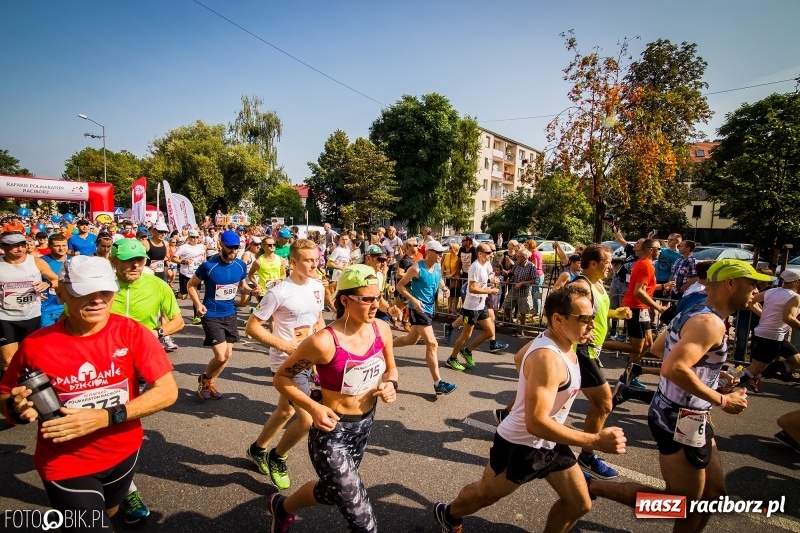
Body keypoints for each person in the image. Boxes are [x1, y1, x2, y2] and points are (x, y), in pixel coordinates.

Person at [0, 255, 178, 530]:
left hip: (124, 452)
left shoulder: (132, 332)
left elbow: (167, 391)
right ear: (62, 293)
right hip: (65, 462)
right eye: (85, 291)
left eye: (105, 291)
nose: (98, 300)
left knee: (110, 510)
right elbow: (6, 396)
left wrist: (106, 417)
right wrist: (16, 408)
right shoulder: (36, 345)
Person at [433, 286, 626, 533]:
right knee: (485, 495)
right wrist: (595, 440)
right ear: (559, 319)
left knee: (579, 504)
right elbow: (535, 423)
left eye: (593, 317)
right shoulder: (547, 358)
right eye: (585, 318)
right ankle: (449, 515)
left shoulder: (561, 340)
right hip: (520, 444)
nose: (592, 324)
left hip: (552, 440)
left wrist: (530, 382)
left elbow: (519, 358)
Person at [587, 259, 759, 533]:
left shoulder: (696, 311)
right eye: (752, 284)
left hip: (690, 414)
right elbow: (673, 367)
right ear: (730, 283)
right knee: (683, 503)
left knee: (714, 494)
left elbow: (659, 348)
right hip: (680, 417)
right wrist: (723, 400)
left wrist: (712, 375)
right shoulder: (709, 322)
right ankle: (593, 487)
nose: (756, 291)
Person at [267, 265, 397, 532]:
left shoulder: (381, 329)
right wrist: (313, 408)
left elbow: (392, 370)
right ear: (345, 301)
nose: (376, 305)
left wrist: (391, 384)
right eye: (367, 299)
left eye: (378, 296)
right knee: (364, 524)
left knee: (331, 491)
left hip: (364, 425)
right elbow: (281, 378)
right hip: (332, 432)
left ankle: (281, 507)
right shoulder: (323, 342)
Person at [244, 239, 325, 490]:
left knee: (285, 411)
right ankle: (277, 457)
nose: (315, 264)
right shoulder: (278, 292)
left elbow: (318, 320)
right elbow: (252, 327)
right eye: (308, 260)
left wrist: (322, 353)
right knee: (307, 420)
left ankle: (257, 449)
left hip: (309, 360)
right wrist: (284, 345)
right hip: (286, 364)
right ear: (293, 262)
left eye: (316, 259)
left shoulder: (318, 286)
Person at [189, 230, 261, 400]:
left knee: (227, 356)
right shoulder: (208, 266)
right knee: (221, 356)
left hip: (230, 314)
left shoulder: (240, 265)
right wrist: (198, 305)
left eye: (236, 247)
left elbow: (241, 286)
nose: (233, 251)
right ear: (221, 244)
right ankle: (205, 378)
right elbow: (191, 285)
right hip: (211, 314)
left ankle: (208, 383)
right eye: (230, 247)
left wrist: (252, 291)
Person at [394, 240, 457, 395]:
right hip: (418, 309)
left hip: (429, 308)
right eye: (438, 252)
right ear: (428, 252)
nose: (441, 255)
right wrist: (413, 300)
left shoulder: (437, 266)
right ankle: (438, 384)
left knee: (410, 340)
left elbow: (439, 278)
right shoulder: (416, 268)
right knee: (432, 344)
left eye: (442, 252)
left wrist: (444, 288)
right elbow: (400, 286)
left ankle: (384, 346)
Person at [0, 232, 59, 375]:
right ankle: (9, 387)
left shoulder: (36, 262)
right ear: (3, 246)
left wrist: (47, 284)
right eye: (14, 246)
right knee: (8, 361)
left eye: (22, 245)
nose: (20, 249)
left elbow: (56, 280)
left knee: (29, 357)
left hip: (32, 316)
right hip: (5, 318)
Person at [621, 239, 673, 388]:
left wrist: (663, 286)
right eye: (659, 249)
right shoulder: (646, 265)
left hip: (640, 308)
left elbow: (646, 287)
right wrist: (658, 307)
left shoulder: (644, 264)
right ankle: (626, 375)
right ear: (651, 250)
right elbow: (638, 292)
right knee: (637, 347)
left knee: (648, 344)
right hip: (636, 308)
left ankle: (629, 374)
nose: (660, 251)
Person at [737, 269, 800, 392]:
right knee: (755, 368)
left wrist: (763, 314)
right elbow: (788, 318)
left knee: (797, 362)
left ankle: (755, 377)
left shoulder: (772, 291)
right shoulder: (794, 297)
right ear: (796, 282)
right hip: (772, 336)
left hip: (772, 335)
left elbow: (751, 301)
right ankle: (724, 385)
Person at [445, 244, 502, 371]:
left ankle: (467, 351)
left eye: (492, 252)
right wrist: (490, 291)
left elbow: (485, 280)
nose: (491, 254)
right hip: (471, 307)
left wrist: (492, 282)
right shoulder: (475, 267)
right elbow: (472, 288)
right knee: (466, 334)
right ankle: (452, 358)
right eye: (488, 253)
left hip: (481, 306)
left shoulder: (485, 265)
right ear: (480, 254)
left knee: (489, 332)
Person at [172, 229, 206, 324]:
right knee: (183, 296)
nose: (195, 239)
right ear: (189, 238)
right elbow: (173, 258)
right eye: (192, 237)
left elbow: (203, 257)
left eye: (196, 237)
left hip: (196, 275)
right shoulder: (183, 247)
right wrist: (184, 261)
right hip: (185, 274)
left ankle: (197, 317)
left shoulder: (201, 247)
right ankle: (174, 293)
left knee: (197, 296)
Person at [38, 234, 69, 328]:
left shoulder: (74, 261)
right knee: (46, 335)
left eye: (64, 245)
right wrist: (35, 293)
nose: (61, 248)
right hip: (47, 308)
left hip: (68, 307)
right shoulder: (41, 262)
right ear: (50, 246)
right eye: (57, 246)